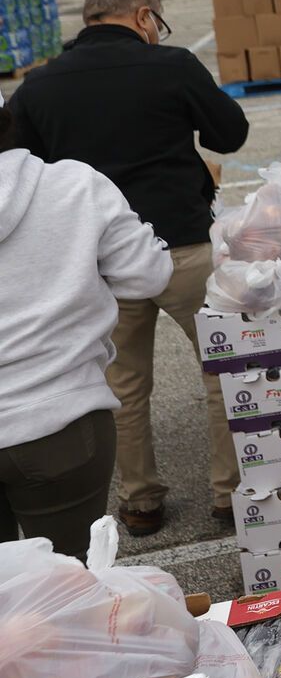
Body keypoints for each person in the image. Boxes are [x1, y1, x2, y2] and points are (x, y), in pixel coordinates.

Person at [6, 0, 250, 535]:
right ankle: (230, 495)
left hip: (96, 260)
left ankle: (140, 500)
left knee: (120, 385)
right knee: (221, 372)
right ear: (143, 17)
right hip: (185, 243)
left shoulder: (40, 85)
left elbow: (23, 167)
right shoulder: (171, 65)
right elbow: (230, 133)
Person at [0, 95, 173, 557]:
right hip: (63, 419)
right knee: (72, 590)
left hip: (58, 415)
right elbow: (146, 274)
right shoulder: (74, 184)